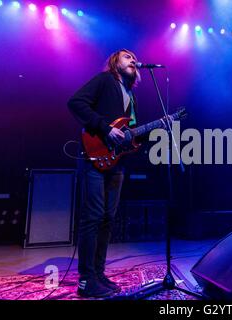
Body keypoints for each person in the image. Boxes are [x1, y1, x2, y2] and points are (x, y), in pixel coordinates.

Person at [68, 49, 141, 298]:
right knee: (93, 216)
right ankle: (86, 279)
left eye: (134, 58)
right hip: (94, 158)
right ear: (114, 62)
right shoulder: (104, 80)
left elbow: (128, 133)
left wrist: (150, 130)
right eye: (127, 56)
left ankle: (98, 274)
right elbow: (76, 102)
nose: (133, 59)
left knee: (108, 218)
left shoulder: (130, 95)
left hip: (116, 163)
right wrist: (104, 128)